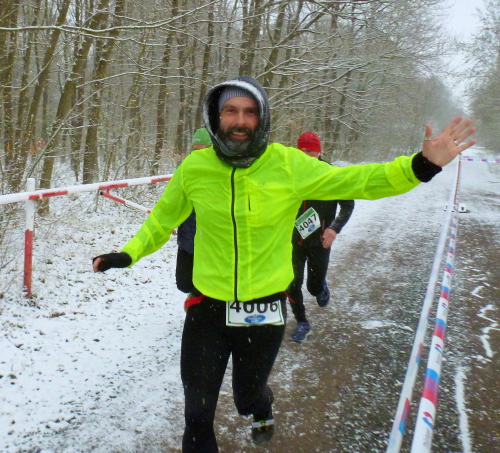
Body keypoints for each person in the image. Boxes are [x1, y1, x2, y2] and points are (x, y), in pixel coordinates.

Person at [92, 76, 475, 452]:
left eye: (250, 112)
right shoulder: (195, 168)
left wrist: (421, 166)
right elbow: (162, 220)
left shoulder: (288, 165)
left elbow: (358, 181)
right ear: (215, 116)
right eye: (230, 111)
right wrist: (129, 253)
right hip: (207, 307)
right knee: (196, 417)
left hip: (263, 309)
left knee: (246, 397)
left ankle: (261, 406)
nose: (240, 120)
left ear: (262, 118)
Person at [287, 132, 354, 342]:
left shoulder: (331, 174)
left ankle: (320, 287)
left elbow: (347, 205)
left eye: (310, 151)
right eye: (302, 151)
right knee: (291, 283)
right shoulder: (288, 174)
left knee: (313, 286)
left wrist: (333, 229)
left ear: (319, 152)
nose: (306, 155)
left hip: (320, 242)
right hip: (291, 241)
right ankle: (302, 322)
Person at [175, 128, 212, 294]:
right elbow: (173, 203)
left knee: (207, 287)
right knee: (184, 284)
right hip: (187, 241)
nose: (199, 155)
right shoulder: (186, 172)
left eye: (205, 150)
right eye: (196, 150)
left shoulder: (223, 175)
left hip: (212, 244)